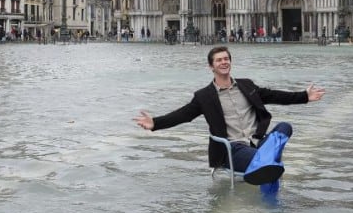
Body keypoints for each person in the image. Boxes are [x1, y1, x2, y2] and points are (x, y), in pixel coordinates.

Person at [133, 46, 325, 184]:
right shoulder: (204, 96)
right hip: (232, 149)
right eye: (219, 60)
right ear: (211, 66)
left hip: (257, 141)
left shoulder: (247, 85)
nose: (224, 62)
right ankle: (266, 164)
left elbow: (274, 95)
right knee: (263, 157)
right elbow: (183, 115)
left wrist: (304, 97)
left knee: (285, 127)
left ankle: (264, 163)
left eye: (226, 59)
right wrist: (155, 123)